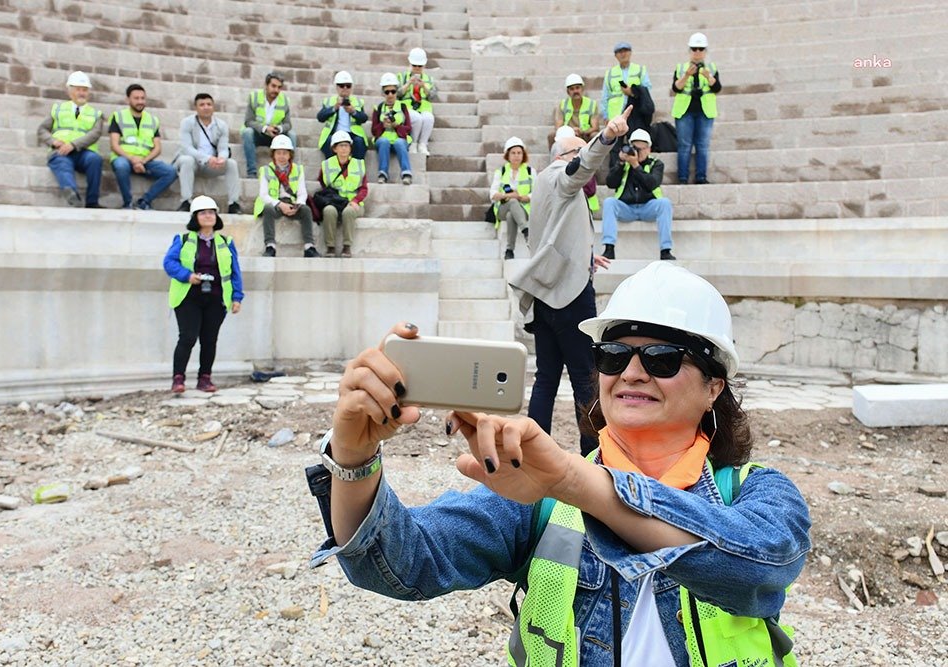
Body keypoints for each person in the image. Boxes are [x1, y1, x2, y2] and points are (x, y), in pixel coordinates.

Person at [310, 261, 810, 667]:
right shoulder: (541, 497)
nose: (632, 372)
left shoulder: (757, 493)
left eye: (662, 358)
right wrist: (355, 456)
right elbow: (403, 564)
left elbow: (757, 567)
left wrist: (577, 481)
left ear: (713, 386)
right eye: (613, 355)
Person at [508, 109, 634, 455]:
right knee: (585, 376)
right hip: (570, 296)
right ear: (566, 155)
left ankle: (534, 450)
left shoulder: (541, 182)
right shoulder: (562, 176)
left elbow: (552, 233)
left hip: (546, 292)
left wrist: (583, 255)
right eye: (578, 150)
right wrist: (606, 136)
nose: (584, 157)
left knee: (546, 377)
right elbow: (580, 169)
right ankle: (593, 452)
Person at [162, 196, 243, 394]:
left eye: (211, 212)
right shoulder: (183, 239)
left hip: (216, 297)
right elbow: (169, 263)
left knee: (209, 339)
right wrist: (187, 275)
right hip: (189, 297)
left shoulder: (226, 242)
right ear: (195, 217)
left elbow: (234, 271)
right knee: (188, 337)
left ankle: (204, 378)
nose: (208, 216)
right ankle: (178, 378)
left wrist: (237, 297)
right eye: (203, 213)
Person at [601, 129, 676, 261]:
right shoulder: (623, 163)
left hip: (648, 206)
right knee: (609, 202)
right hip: (626, 207)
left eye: (642, 149)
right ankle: (609, 249)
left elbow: (652, 184)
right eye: (635, 148)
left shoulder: (656, 164)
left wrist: (636, 166)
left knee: (665, 203)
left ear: (649, 149)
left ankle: (665, 250)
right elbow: (611, 183)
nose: (638, 152)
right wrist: (620, 164)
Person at [37, 71, 104, 208]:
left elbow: (95, 133)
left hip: (84, 153)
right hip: (61, 151)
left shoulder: (95, 113)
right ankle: (71, 193)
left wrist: (74, 145)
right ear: (70, 92)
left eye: (84, 90)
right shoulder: (58, 109)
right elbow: (42, 130)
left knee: (95, 160)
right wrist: (53, 142)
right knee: (62, 163)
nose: (82, 93)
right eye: (78, 89)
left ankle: (92, 202)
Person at [108, 84, 177, 210]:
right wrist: (133, 159)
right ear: (128, 99)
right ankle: (127, 203)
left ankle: (144, 201)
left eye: (142, 98)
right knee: (121, 166)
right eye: (136, 98)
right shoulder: (119, 117)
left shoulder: (152, 120)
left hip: (145, 161)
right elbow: (114, 145)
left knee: (170, 172)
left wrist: (143, 161)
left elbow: (157, 148)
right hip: (124, 158)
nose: (140, 101)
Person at [174, 93, 241, 213]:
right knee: (187, 160)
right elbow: (187, 148)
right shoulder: (187, 123)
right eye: (202, 105)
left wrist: (221, 159)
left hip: (211, 164)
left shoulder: (221, 125)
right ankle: (185, 201)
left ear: (213, 106)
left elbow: (223, 148)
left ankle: (233, 203)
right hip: (193, 162)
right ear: (196, 107)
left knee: (231, 163)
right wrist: (207, 158)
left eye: (209, 104)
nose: (206, 107)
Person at [254, 135, 319, 258]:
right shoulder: (266, 170)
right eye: (278, 153)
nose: (282, 156)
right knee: (267, 209)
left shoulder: (298, 170)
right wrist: (280, 205)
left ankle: (309, 246)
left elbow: (302, 192)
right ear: (273, 154)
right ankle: (270, 246)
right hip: (274, 203)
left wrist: (297, 205)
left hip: (291, 201)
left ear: (290, 155)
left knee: (306, 210)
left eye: (285, 153)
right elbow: (263, 194)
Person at [672, 32, 721, 185]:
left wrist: (708, 77)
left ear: (705, 51)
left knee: (702, 145)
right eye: (694, 49)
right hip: (684, 111)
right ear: (690, 50)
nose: (697, 52)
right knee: (684, 145)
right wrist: (687, 75)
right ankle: (682, 178)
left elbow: (717, 88)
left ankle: (701, 177)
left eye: (701, 49)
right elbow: (676, 88)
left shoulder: (711, 68)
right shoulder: (681, 68)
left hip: (705, 111)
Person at [317, 131, 367, 258]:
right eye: (341, 145)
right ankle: (330, 247)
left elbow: (364, 188)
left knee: (348, 212)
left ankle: (347, 246)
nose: (344, 148)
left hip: (354, 202)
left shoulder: (359, 164)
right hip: (335, 201)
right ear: (334, 148)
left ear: (351, 148)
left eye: (346, 145)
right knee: (328, 211)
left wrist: (355, 200)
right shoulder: (327, 164)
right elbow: (323, 183)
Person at [242, 71, 296, 178]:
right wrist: (265, 128)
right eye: (273, 86)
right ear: (266, 85)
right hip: (259, 133)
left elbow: (288, 124)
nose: (276, 90)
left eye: (279, 87)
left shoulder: (284, 100)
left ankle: (288, 171)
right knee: (247, 132)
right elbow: (248, 121)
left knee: (292, 135)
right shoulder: (254, 97)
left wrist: (279, 129)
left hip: (276, 135)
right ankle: (252, 171)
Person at [489, 136, 535, 260]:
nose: (516, 156)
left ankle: (509, 250)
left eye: (519, 153)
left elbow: (537, 193)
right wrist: (509, 196)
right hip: (502, 209)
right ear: (508, 155)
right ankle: (526, 230)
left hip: (523, 208)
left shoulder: (530, 171)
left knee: (511, 215)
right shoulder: (501, 171)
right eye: (513, 153)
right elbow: (492, 194)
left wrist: (523, 197)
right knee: (512, 203)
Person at [371, 73, 413, 185]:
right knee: (383, 142)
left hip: (399, 140)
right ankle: (382, 174)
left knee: (400, 143)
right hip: (384, 140)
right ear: (383, 93)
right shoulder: (378, 108)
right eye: (387, 92)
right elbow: (374, 130)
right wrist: (382, 126)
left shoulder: (403, 107)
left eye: (393, 92)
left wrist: (396, 126)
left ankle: (406, 173)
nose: (390, 95)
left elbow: (408, 128)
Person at [317, 71, 368, 160]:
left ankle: (357, 170)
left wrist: (353, 112)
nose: (345, 88)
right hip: (334, 133)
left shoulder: (358, 102)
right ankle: (332, 169)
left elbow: (364, 118)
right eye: (341, 85)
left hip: (352, 134)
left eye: (348, 86)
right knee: (329, 141)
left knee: (359, 142)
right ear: (337, 87)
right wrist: (334, 108)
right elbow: (320, 117)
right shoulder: (329, 101)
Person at [397, 48, 437, 155]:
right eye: (415, 65)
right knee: (417, 118)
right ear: (410, 64)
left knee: (428, 118)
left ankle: (423, 144)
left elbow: (433, 96)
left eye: (420, 66)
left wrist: (424, 86)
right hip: (408, 108)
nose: (417, 68)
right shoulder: (402, 77)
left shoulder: (429, 79)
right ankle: (413, 143)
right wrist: (408, 84)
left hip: (424, 108)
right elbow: (397, 94)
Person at [552, 73, 599, 144]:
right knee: (551, 136)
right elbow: (558, 126)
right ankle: (556, 154)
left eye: (577, 88)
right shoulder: (563, 104)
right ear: (568, 92)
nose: (575, 91)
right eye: (572, 89)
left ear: (582, 89)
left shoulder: (591, 104)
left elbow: (595, 127)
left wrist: (582, 131)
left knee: (595, 135)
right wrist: (571, 131)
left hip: (585, 134)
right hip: (567, 135)